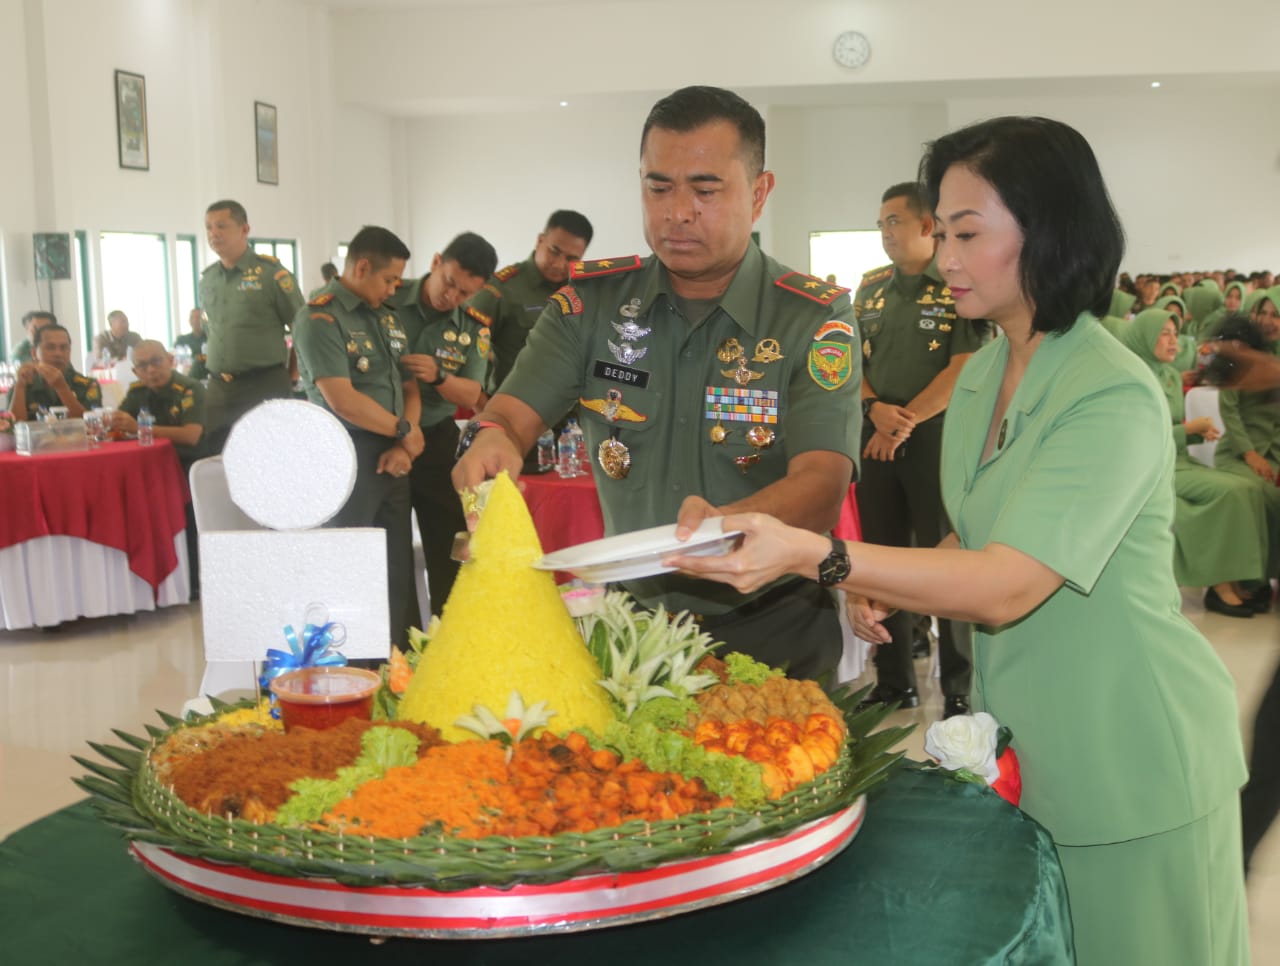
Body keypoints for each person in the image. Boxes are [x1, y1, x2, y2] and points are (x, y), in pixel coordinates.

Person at [669, 116, 1249, 965]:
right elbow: (975, 534)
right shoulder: (981, 374)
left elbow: (1009, 581)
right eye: (940, 231)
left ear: (1048, 232)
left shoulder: (1109, 392)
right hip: (1034, 743)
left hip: (1130, 753)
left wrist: (819, 555)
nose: (943, 257)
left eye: (967, 233)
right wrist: (893, 579)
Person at [453, 86, 861, 683]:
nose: (677, 212)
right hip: (632, 629)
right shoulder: (589, 307)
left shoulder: (812, 318)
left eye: (705, 189)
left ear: (760, 191)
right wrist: (493, 436)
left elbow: (823, 484)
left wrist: (722, 526)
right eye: (658, 187)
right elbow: (512, 416)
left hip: (774, 625)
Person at [854, 181, 987, 716]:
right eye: (881, 222)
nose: (885, 232)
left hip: (933, 437)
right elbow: (849, 364)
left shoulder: (955, 285)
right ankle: (894, 681)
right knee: (883, 560)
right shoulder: (871, 288)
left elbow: (963, 367)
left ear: (927, 226)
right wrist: (874, 414)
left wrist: (902, 423)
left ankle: (958, 686)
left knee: (942, 557)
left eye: (894, 221)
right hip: (875, 433)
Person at [292, 226, 423, 649]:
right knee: (349, 573)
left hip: (394, 455)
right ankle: (352, 673)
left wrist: (406, 442)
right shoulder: (320, 317)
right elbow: (342, 400)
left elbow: (409, 386)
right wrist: (403, 432)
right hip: (346, 457)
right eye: (388, 280)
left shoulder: (386, 316)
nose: (393, 289)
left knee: (395, 571)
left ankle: (394, 670)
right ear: (362, 266)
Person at [1117, 308, 1268, 616]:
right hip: (1152, 468)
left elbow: (1171, 429)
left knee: (1248, 488)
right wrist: (1188, 430)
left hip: (1178, 458)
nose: (1174, 341)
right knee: (1231, 493)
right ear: (1144, 337)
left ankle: (1235, 578)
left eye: (1176, 333)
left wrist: (1197, 434)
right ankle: (1219, 585)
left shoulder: (1169, 375)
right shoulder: (1132, 380)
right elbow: (1138, 438)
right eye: (1164, 333)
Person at [386, 231, 497, 614]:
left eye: (465, 293)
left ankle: (451, 628)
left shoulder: (473, 326)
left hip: (436, 440)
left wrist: (439, 377)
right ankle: (400, 650)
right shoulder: (387, 297)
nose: (452, 297)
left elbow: (472, 395)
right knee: (390, 551)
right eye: (450, 283)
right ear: (436, 263)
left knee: (454, 545)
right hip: (384, 439)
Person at [199, 200, 304, 454]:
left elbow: (303, 330)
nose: (214, 234)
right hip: (218, 388)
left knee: (268, 458)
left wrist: (291, 375)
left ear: (244, 229)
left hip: (263, 384)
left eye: (222, 226)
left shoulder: (271, 274)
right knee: (215, 460)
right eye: (209, 227)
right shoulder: (209, 278)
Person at [468, 209, 593, 394]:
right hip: (512, 409)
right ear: (540, 240)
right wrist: (485, 408)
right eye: (554, 251)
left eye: (571, 259)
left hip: (567, 411)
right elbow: (468, 352)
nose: (559, 264)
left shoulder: (583, 292)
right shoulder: (501, 290)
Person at [1213, 288, 1280, 590]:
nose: (1268, 321)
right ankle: (1253, 578)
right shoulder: (1241, 351)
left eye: (1275, 314)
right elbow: (1230, 411)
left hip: (1275, 452)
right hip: (1240, 452)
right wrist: (1251, 454)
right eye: (1262, 313)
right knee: (1258, 492)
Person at [112, 339, 206, 460]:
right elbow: (119, 423)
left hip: (186, 462)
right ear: (135, 372)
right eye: (142, 365)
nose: (151, 370)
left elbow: (191, 435)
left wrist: (140, 429)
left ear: (171, 360)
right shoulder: (137, 391)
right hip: (149, 459)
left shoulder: (190, 389)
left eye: (156, 361)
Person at [6, 323, 101, 419]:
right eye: (50, 347)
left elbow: (91, 424)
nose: (58, 353)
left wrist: (62, 388)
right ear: (34, 353)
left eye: (64, 348)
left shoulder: (88, 385)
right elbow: (12, 427)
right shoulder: (23, 384)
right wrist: (20, 386)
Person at [173, 308, 209, 381]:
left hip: (206, 374)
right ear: (189, 321)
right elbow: (176, 358)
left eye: (198, 318)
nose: (196, 321)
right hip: (186, 373)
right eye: (193, 318)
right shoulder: (181, 339)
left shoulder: (210, 339)